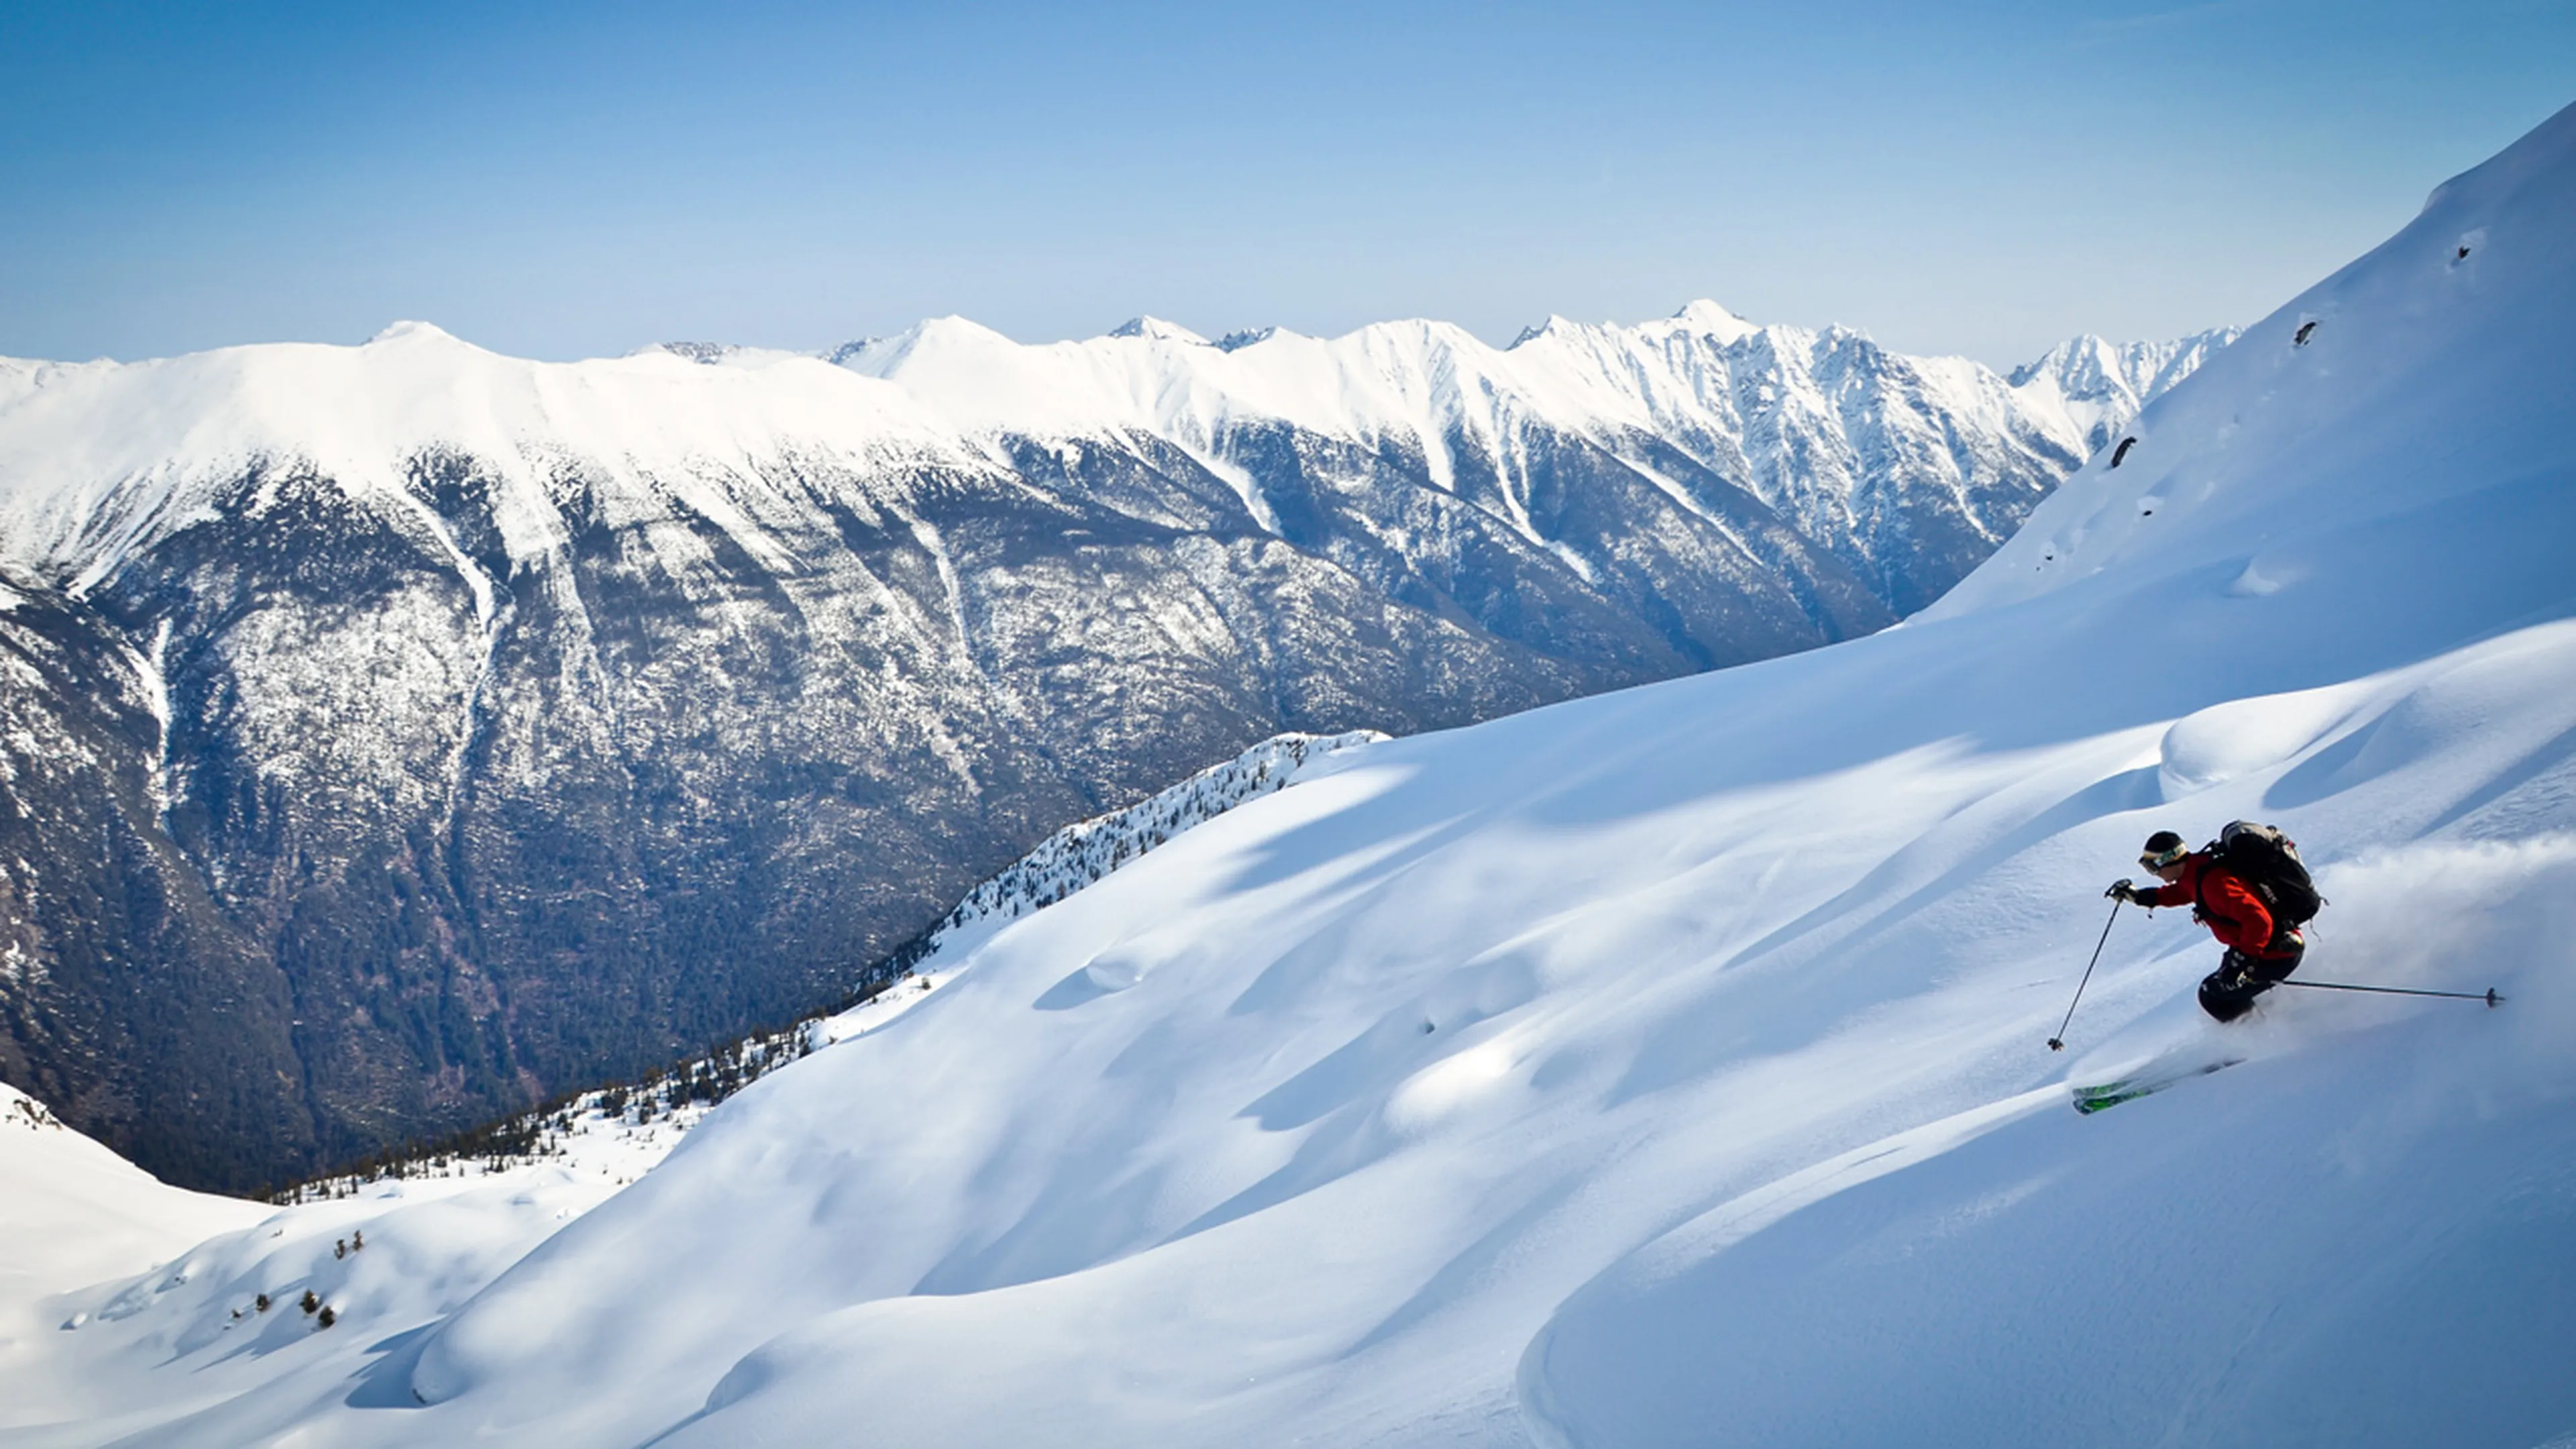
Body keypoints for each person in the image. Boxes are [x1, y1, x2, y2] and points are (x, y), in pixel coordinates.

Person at [2110, 829, 2306, 1022]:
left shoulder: (2214, 884)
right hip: (2255, 949)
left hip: (2275, 953)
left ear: (2169, 860)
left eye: (2153, 867)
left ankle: (2262, 1034)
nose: (2154, 874)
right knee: (2219, 992)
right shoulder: (2196, 871)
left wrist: (2242, 961)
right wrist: (2139, 897)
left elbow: (2259, 920)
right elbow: (2181, 892)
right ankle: (2263, 1022)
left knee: (2214, 998)